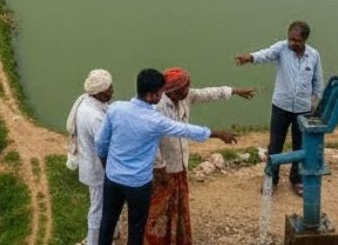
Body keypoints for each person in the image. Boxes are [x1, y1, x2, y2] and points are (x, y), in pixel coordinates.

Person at [96, 68, 238, 245]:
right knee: (136, 227)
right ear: (151, 95)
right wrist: (215, 133)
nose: (163, 94)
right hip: (138, 184)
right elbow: (185, 130)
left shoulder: (116, 109)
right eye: (160, 92)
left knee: (107, 222)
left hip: (113, 179)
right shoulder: (156, 119)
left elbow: (100, 143)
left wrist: (107, 166)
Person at [145, 67, 254, 245]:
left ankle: (177, 238)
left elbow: (207, 93)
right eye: (185, 89)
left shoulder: (184, 96)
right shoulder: (158, 108)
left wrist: (233, 91)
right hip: (163, 167)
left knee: (178, 205)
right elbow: (151, 142)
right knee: (159, 208)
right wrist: (160, 167)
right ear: (173, 91)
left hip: (179, 163)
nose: (188, 91)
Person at [233, 20, 322, 196]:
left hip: (303, 110)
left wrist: (315, 106)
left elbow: (317, 82)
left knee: (301, 146)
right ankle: (271, 179)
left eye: (297, 41)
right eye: (291, 39)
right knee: (275, 144)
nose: (293, 43)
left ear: (305, 40)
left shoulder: (313, 56)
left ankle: (296, 179)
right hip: (281, 106)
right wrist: (250, 57)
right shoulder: (282, 49)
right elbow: (265, 54)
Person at [66, 69, 115, 245]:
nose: (112, 90)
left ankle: (110, 235)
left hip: (92, 163)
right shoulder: (95, 117)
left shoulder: (86, 101)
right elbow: (105, 146)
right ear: (100, 93)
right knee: (98, 208)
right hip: (98, 168)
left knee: (105, 204)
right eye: (109, 88)